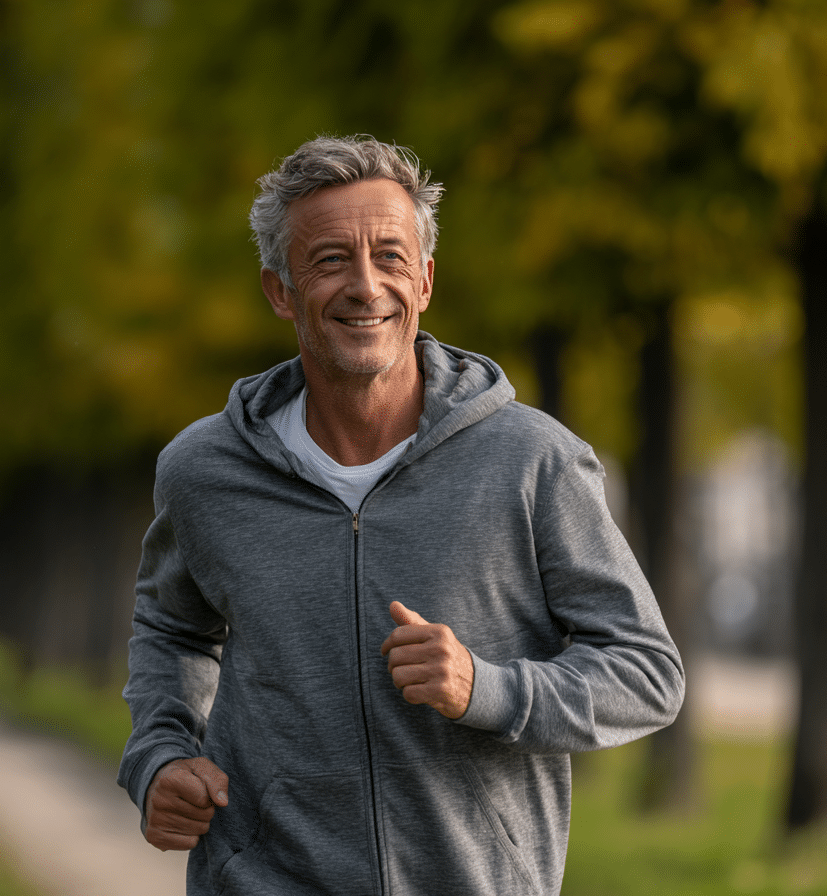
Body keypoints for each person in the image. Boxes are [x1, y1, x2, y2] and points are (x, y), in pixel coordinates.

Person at [117, 134, 684, 896]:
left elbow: (647, 674)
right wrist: (157, 754)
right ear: (280, 290)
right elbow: (173, 628)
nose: (364, 285)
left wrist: (487, 688)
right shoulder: (204, 471)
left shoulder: (532, 462)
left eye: (389, 256)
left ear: (424, 280)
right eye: (328, 261)